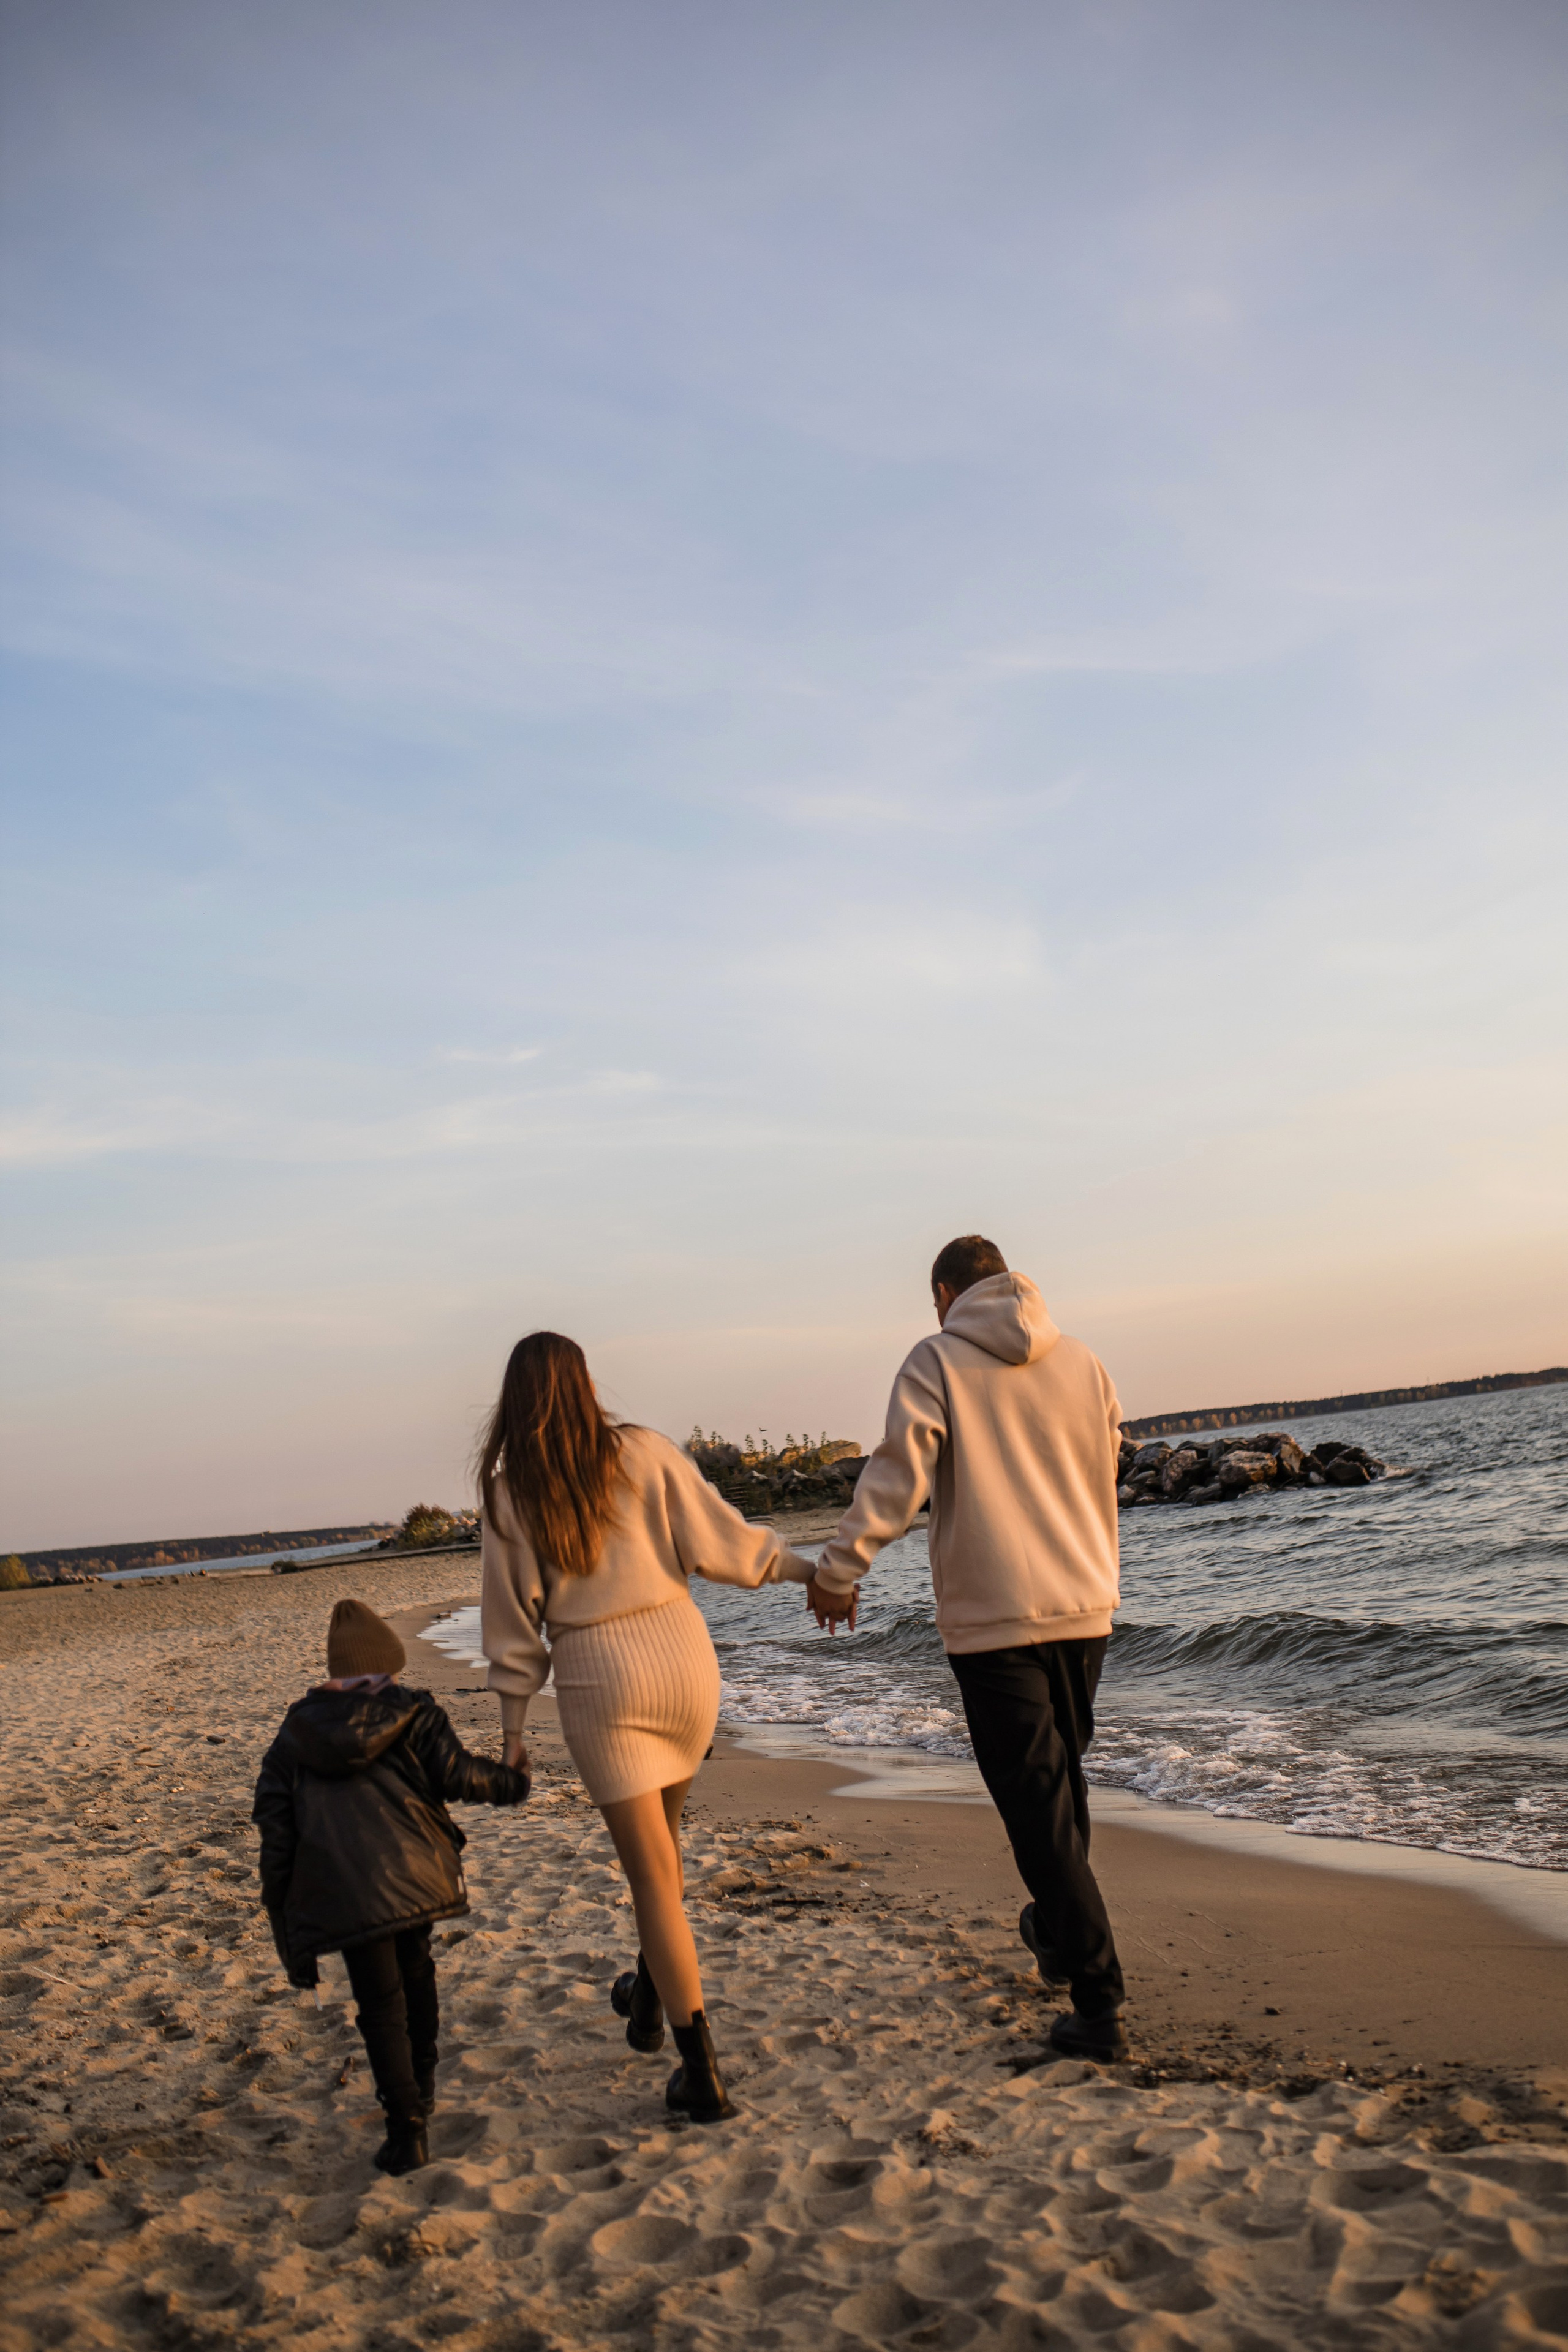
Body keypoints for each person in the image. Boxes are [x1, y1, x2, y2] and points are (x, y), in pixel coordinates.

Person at [479, 1330, 815, 2123]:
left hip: (601, 1676)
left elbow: (513, 1626)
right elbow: (725, 1543)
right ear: (585, 1385)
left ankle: (700, 2074)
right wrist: (810, 1570)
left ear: (515, 1401)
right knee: (664, 1857)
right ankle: (645, 2001)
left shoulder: (509, 1493)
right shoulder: (644, 1451)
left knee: (653, 1878)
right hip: (684, 1661)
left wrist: (513, 1734)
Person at [805, 1235, 1129, 2059]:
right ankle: (1057, 1934)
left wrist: (839, 1571)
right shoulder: (1084, 1362)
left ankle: (1097, 2000)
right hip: (1086, 1608)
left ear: (946, 1294)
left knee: (1039, 1806)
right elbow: (1106, 1464)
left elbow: (896, 1478)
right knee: (1060, 1790)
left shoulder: (937, 1360)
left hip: (995, 1619)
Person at [253, 1597, 530, 2176]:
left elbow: (276, 1843)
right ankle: (422, 2086)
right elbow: (459, 1776)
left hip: (344, 1894)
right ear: (387, 1667)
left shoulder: (292, 1739)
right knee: (417, 1973)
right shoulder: (415, 1714)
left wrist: (289, 1937)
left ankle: (406, 2128)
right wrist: (512, 1782)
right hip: (415, 1875)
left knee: (378, 2003)